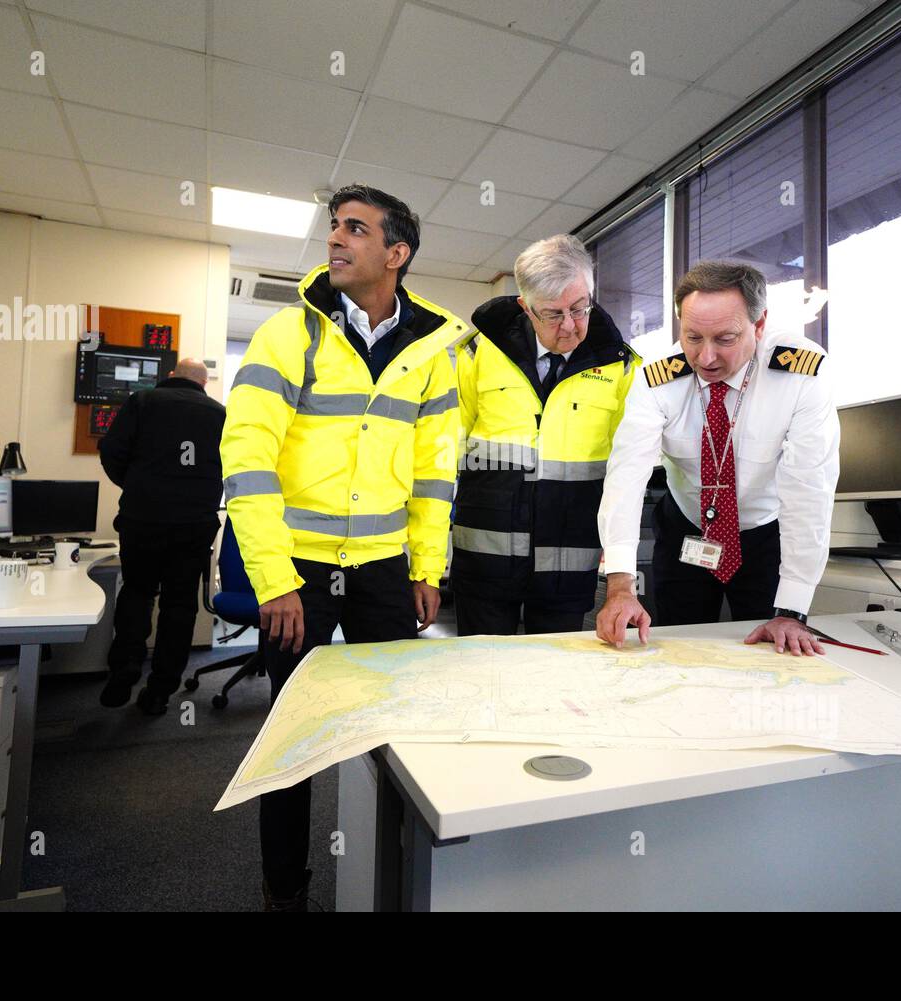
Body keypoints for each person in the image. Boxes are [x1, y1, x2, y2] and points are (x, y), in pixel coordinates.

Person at [220, 184, 466, 911]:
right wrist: (272, 578)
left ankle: (395, 879)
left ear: (397, 254)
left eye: (354, 229)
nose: (335, 239)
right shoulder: (286, 334)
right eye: (333, 227)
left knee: (392, 734)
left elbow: (435, 470)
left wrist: (427, 566)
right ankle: (284, 889)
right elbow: (248, 459)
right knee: (292, 742)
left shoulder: (431, 351)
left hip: (384, 571)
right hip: (297, 573)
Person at [595, 260, 839, 655]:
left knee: (766, 655)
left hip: (764, 534)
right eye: (692, 337)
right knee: (679, 649)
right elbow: (626, 476)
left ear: (759, 326)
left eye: (725, 339)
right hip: (686, 529)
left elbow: (809, 486)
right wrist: (620, 585)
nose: (705, 358)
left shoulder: (801, 374)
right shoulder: (658, 379)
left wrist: (792, 609)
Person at [452, 235, 638, 635]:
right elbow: (442, 455)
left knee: (557, 682)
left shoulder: (621, 367)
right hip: (485, 560)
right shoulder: (476, 355)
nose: (570, 326)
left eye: (579, 308)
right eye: (553, 314)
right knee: (479, 677)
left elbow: (627, 472)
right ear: (525, 307)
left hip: (567, 564)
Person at [98, 358, 225, 714]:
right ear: (203, 383)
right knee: (180, 605)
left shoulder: (142, 401)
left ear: (171, 377)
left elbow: (111, 452)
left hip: (143, 519)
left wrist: (139, 487)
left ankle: (123, 671)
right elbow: (232, 467)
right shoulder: (221, 414)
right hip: (194, 525)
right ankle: (160, 691)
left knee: (137, 593)